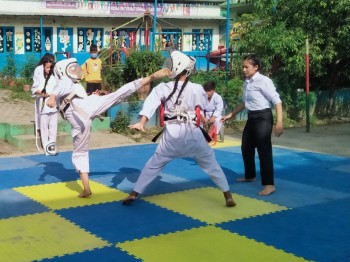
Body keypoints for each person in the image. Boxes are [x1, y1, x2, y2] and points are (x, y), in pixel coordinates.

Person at [122, 50, 236, 207]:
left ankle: (134, 194)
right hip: (194, 136)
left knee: (153, 165)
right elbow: (202, 106)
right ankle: (228, 196)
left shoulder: (162, 88)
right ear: (187, 70)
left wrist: (142, 122)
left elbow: (150, 104)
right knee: (212, 165)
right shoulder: (197, 89)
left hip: (171, 138)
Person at [46, 57, 170, 198]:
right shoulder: (63, 82)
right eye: (72, 69)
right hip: (81, 114)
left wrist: (90, 96)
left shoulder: (74, 85)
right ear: (64, 71)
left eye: (75, 68)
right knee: (118, 95)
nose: (75, 71)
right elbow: (60, 88)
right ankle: (149, 78)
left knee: (80, 152)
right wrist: (52, 96)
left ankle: (86, 188)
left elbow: (70, 95)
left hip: (84, 111)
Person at [221, 54, 283, 196]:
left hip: (263, 117)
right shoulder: (247, 82)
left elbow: (277, 101)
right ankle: (250, 175)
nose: (243, 69)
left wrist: (279, 122)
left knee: (263, 150)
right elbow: (245, 103)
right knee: (246, 147)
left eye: (246, 67)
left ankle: (269, 184)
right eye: (243, 66)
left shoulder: (263, 81)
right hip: (252, 117)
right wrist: (232, 114)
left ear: (256, 67)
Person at [31, 53, 58, 155]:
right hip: (43, 105)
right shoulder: (40, 74)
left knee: (53, 128)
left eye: (50, 67)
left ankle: (52, 147)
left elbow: (58, 88)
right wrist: (41, 93)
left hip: (54, 105)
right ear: (43, 66)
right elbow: (34, 88)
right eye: (47, 67)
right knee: (44, 127)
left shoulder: (54, 76)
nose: (49, 69)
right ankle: (46, 147)